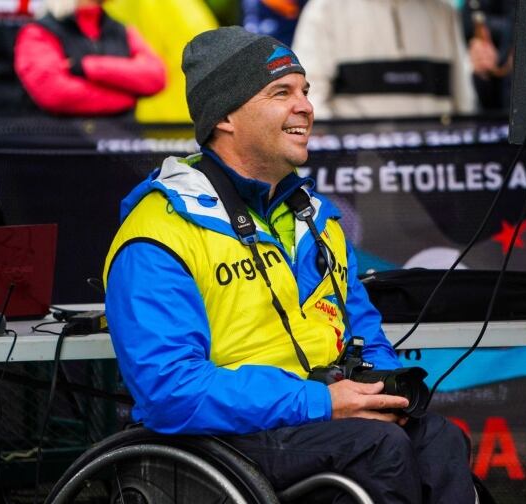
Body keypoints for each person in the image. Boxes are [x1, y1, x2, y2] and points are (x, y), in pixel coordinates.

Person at [103, 26, 490, 503]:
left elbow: (363, 328)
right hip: (219, 438)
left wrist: (379, 391)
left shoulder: (318, 219)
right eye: (281, 92)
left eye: (305, 91)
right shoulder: (158, 231)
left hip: (313, 420)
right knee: (380, 448)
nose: (306, 106)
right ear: (225, 115)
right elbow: (170, 389)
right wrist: (321, 402)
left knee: (438, 439)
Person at [291, 0, 477, 119]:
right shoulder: (324, 10)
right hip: (358, 170)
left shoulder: (444, 12)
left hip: (437, 167)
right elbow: (310, 102)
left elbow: (464, 101)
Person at [13, 0, 165, 116]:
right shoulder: (38, 31)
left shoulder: (120, 29)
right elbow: (54, 94)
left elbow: (156, 76)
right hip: (59, 147)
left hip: (122, 144)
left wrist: (86, 66)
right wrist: (129, 97)